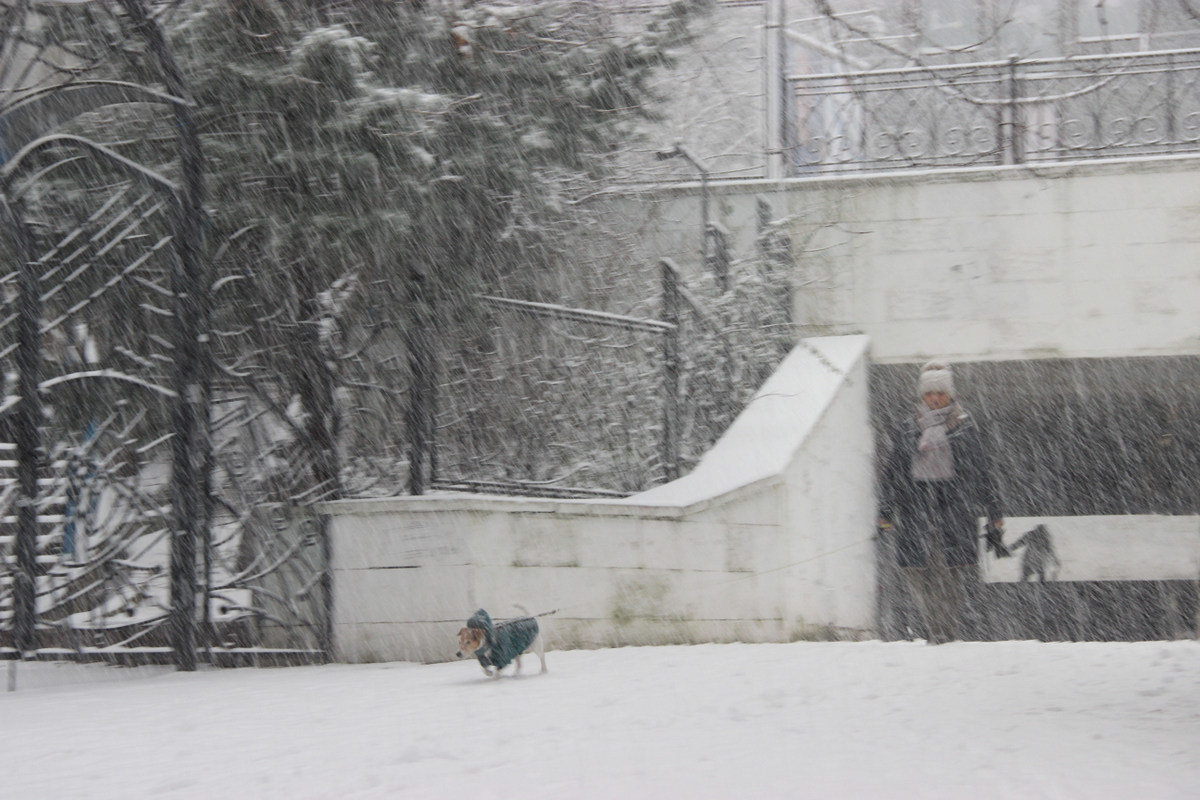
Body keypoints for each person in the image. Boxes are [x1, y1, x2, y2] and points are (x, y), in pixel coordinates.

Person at [877, 360, 1007, 643]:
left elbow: (982, 472)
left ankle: (944, 633)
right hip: (916, 513)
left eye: (941, 393)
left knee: (951, 579)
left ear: (951, 395)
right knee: (917, 576)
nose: (935, 399)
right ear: (921, 396)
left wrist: (994, 511)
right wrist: (885, 511)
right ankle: (935, 628)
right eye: (929, 393)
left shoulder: (964, 428)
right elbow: (893, 473)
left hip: (954, 513)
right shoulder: (908, 429)